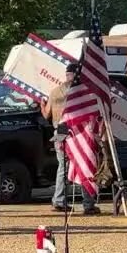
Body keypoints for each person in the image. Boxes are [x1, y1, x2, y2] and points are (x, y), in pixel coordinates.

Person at [41, 63, 100, 215]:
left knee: (62, 168)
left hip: (60, 133)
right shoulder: (83, 92)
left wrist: (42, 104)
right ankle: (88, 203)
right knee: (85, 164)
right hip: (80, 132)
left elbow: (46, 114)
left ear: (67, 74)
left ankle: (59, 200)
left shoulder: (55, 92)